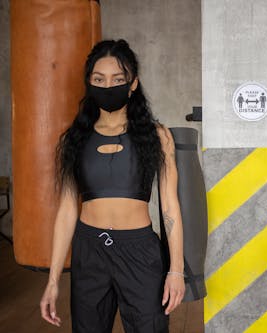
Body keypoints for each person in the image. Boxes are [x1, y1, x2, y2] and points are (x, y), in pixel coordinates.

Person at [40, 39, 185, 332]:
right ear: (89, 83)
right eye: (99, 79)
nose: (108, 86)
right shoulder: (75, 139)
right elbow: (67, 210)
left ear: (133, 84)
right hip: (89, 251)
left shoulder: (157, 136)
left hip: (140, 252)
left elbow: (170, 206)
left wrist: (176, 270)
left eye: (118, 80)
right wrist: (53, 281)